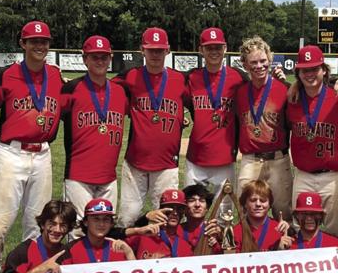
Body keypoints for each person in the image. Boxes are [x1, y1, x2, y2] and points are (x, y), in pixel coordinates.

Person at [0, 20, 64, 273]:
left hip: (42, 155)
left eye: (44, 41)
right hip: (11, 154)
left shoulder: (55, 75)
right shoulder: (7, 75)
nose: (40, 45)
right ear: (22, 44)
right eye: (33, 41)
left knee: (37, 228)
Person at [114, 28, 188, 227]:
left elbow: (198, 102)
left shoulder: (180, 79)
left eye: (160, 50)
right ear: (142, 50)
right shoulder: (130, 76)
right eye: (151, 49)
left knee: (167, 220)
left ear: (168, 50)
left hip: (167, 164)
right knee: (127, 218)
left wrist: (182, 118)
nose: (155, 54)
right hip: (135, 163)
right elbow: (102, 88)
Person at [60, 35, 128, 239]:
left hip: (108, 177)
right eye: (94, 57)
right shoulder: (71, 88)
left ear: (110, 58)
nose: (100, 61)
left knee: (106, 233)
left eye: (104, 57)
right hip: (78, 175)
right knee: (78, 232)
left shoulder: (120, 92)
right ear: (85, 59)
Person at [286, 46, 338, 238]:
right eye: (305, 70)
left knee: (334, 230)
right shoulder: (292, 99)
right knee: (300, 229)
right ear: (298, 74)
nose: (310, 74)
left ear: (324, 70)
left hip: (333, 176)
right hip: (303, 175)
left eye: (314, 69)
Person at [234, 36, 293, 222]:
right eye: (253, 62)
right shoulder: (240, 92)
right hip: (250, 159)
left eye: (263, 61)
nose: (259, 66)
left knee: (283, 214)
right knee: (244, 211)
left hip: (278, 159)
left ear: (270, 60)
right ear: (245, 65)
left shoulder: (284, 89)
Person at [184, 27, 246, 191]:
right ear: (201, 50)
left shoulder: (238, 78)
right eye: (209, 47)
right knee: (192, 205)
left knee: (225, 207)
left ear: (225, 48)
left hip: (225, 158)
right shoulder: (191, 77)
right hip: (196, 158)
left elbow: (260, 90)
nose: (214, 51)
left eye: (218, 47)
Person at [231, 180, 291, 253]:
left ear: (269, 204)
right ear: (245, 203)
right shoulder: (236, 231)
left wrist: (282, 250)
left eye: (263, 200)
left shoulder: (279, 229)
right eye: (253, 200)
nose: (258, 204)